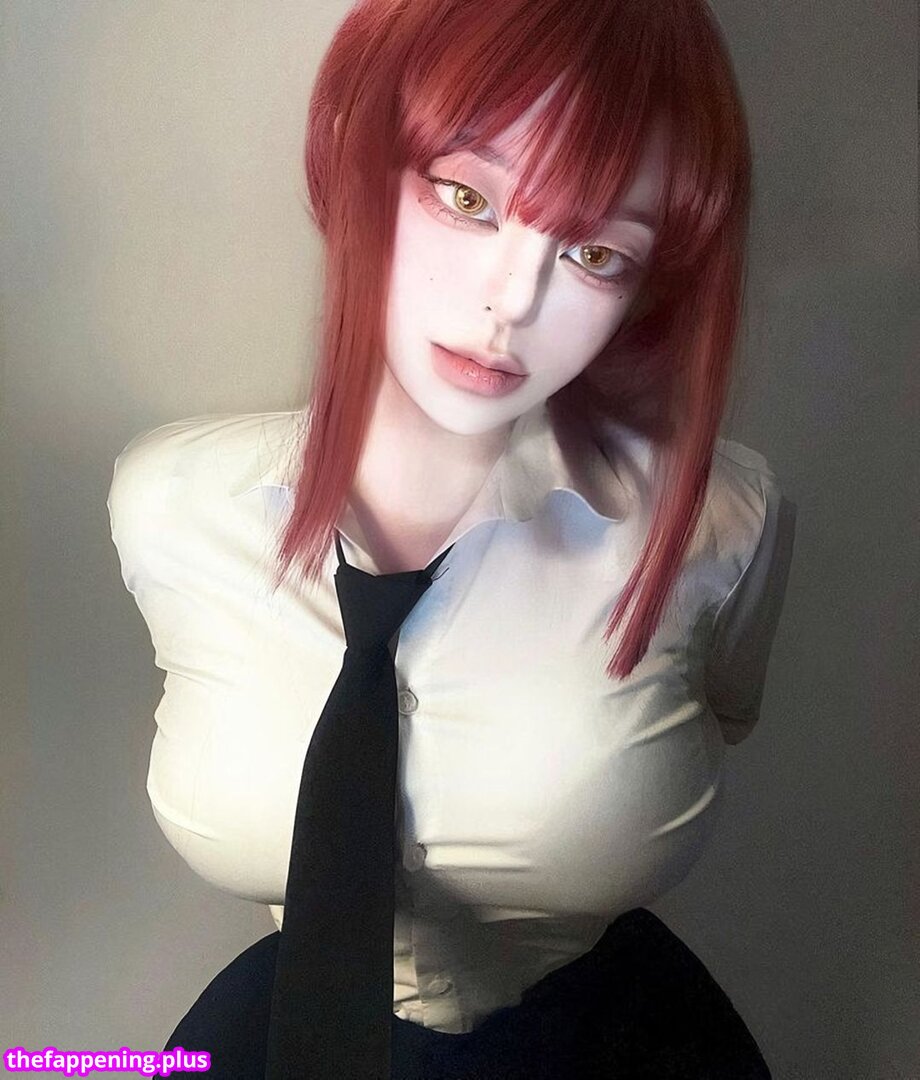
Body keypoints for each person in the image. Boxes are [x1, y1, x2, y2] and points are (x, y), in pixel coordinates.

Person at [106, 0, 796, 1075]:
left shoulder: (722, 522)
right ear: (357, 155)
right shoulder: (170, 505)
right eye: (466, 197)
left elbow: (728, 704)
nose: (510, 300)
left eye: (595, 253)